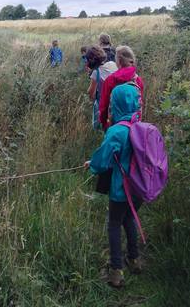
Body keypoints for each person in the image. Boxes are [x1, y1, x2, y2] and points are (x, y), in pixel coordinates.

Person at [85, 84, 143, 288]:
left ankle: (116, 270)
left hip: (121, 190)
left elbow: (102, 162)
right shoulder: (141, 126)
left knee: (114, 223)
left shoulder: (116, 131)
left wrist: (92, 164)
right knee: (129, 218)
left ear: (115, 104)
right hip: (139, 189)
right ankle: (134, 259)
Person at [99, 45, 144, 130]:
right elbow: (139, 104)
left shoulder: (110, 80)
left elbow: (104, 106)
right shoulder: (138, 80)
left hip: (114, 125)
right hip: (134, 125)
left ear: (119, 61)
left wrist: (104, 124)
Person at [86, 46, 117, 129]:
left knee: (102, 126)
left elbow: (91, 93)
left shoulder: (96, 72)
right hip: (116, 98)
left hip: (104, 102)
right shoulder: (112, 64)